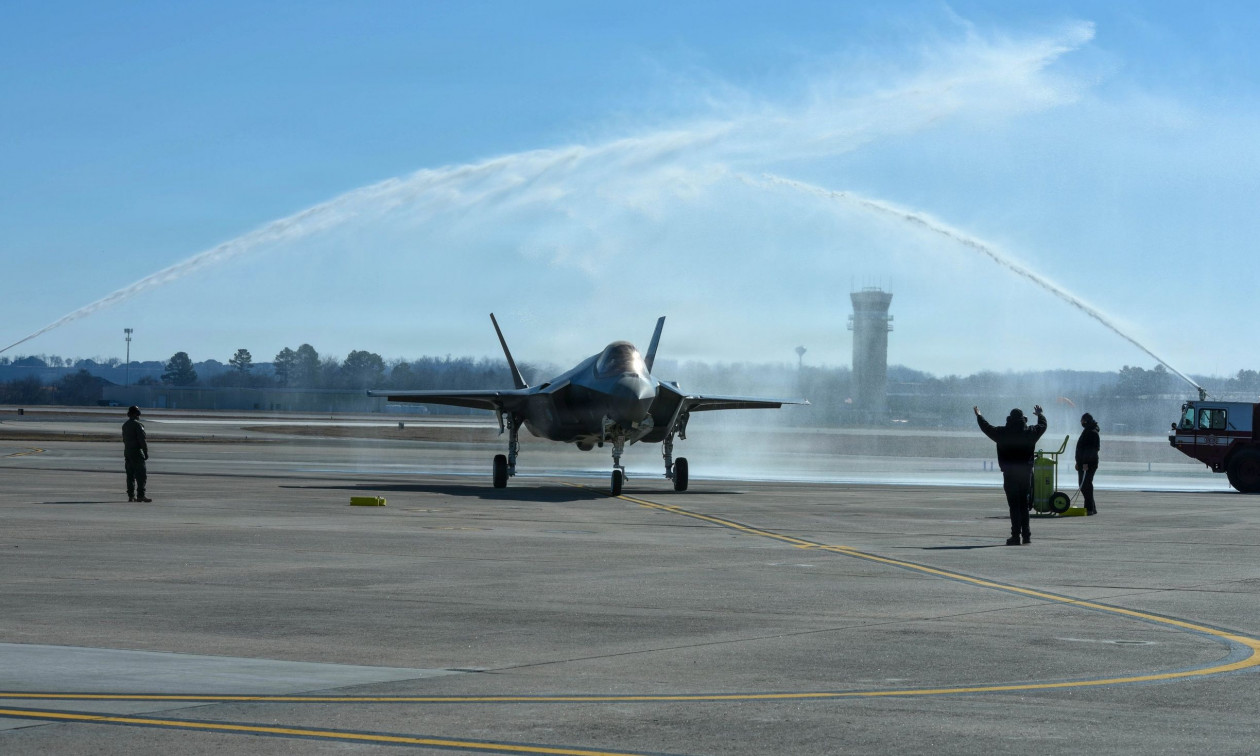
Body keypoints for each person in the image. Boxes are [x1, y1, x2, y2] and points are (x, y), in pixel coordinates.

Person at [975, 404, 1047, 545]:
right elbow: (1043, 426)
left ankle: (1015, 536)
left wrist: (979, 415)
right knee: (1024, 505)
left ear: (1009, 418)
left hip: (1010, 474)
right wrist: (1040, 415)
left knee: (1014, 506)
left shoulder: (1002, 433)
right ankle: (1026, 535)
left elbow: (986, 427)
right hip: (1025, 473)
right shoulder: (1030, 432)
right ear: (1023, 419)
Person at [122, 406, 151, 502]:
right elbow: (142, 440)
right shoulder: (138, 425)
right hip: (136, 452)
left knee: (130, 475)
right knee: (141, 475)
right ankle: (141, 495)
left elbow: (124, 440)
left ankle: (131, 496)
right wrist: (145, 452)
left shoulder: (125, 425)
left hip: (127, 452)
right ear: (136, 414)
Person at [1075, 412, 1100, 516]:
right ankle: (1091, 508)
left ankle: (1089, 508)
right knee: (1084, 485)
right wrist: (1078, 462)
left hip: (1088, 463)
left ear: (1086, 421)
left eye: (1082, 420)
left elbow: (1092, 450)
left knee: (1086, 485)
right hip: (1083, 463)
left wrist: (1085, 463)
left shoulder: (1092, 432)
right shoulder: (1088, 430)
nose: (1081, 422)